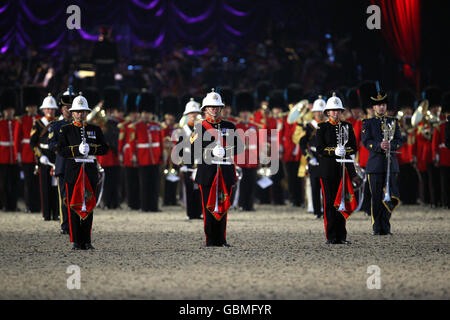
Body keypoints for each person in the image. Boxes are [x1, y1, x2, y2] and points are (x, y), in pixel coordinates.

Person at [57, 93, 108, 250]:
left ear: (86, 113)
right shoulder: (65, 130)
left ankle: (87, 240)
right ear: (72, 113)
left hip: (90, 171)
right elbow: (61, 150)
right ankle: (75, 240)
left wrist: (91, 148)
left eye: (82, 111)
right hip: (73, 171)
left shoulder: (95, 129)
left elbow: (105, 148)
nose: (80, 114)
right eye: (77, 112)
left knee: (89, 205)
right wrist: (76, 150)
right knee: (73, 205)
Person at [192, 89, 242, 247]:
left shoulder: (230, 126)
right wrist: (210, 151)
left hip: (225, 171)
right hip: (208, 171)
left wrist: (226, 151)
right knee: (208, 207)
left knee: (223, 206)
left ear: (221, 108)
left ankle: (221, 239)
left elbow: (239, 148)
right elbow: (193, 150)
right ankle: (210, 240)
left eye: (216, 107)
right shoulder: (199, 127)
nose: (214, 109)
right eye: (211, 107)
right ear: (205, 109)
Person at [316, 93, 358, 244]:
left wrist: (345, 151)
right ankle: (331, 236)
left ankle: (342, 235)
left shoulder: (347, 126)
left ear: (341, 112)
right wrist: (333, 151)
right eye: (332, 110)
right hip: (327, 170)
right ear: (327, 112)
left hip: (343, 170)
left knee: (342, 202)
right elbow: (319, 149)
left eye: (338, 110)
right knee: (329, 203)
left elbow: (354, 147)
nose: (335, 113)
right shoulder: (322, 128)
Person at [362, 84, 402, 236]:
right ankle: (376, 227)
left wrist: (392, 145)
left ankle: (386, 226)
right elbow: (366, 142)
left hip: (391, 165)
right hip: (375, 165)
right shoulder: (368, 123)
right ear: (374, 107)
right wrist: (379, 145)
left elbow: (399, 140)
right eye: (378, 105)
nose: (381, 107)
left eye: (383, 104)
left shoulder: (394, 121)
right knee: (377, 197)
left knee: (391, 196)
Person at [48, 87, 75, 234]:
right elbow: (51, 145)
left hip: (77, 165)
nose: (69, 110)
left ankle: (76, 224)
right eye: (66, 107)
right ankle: (65, 226)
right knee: (64, 198)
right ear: (61, 109)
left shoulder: (79, 125)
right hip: (63, 165)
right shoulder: (56, 126)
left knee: (76, 197)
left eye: (72, 107)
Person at [133, 90, 163, 212]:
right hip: (143, 158)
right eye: (145, 112)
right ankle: (145, 206)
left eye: (149, 112)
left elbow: (160, 142)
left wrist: (162, 155)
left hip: (155, 158)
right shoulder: (136, 126)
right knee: (144, 184)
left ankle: (154, 206)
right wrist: (133, 156)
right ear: (141, 113)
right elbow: (133, 143)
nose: (146, 115)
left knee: (155, 184)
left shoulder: (156, 125)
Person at [30, 93, 59, 221]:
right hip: (44, 156)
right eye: (48, 108)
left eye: (52, 109)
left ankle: (56, 213)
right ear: (43, 110)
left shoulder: (58, 122)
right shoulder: (37, 124)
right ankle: (46, 214)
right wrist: (39, 155)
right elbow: (32, 143)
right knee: (45, 186)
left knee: (56, 185)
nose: (50, 111)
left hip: (56, 155)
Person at [14, 86, 42, 213]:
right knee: (28, 183)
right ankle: (29, 205)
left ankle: (38, 205)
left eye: (34, 106)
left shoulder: (40, 120)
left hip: (38, 153)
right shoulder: (22, 120)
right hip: (26, 154)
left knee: (38, 182)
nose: (32, 108)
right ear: (27, 107)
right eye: (30, 106)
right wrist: (18, 155)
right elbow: (17, 139)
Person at [299, 96, 326, 219]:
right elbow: (302, 143)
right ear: (314, 112)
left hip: (326, 158)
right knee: (315, 186)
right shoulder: (309, 126)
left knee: (327, 187)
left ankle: (327, 211)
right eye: (317, 111)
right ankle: (316, 211)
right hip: (314, 157)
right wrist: (309, 158)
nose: (319, 113)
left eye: (321, 111)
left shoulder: (329, 124)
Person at [176, 98, 203, 220]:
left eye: (196, 113)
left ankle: (199, 213)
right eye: (191, 114)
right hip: (188, 162)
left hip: (200, 161)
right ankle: (190, 213)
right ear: (187, 115)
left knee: (200, 189)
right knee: (189, 189)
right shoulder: (183, 130)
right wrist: (182, 163)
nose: (194, 115)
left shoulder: (203, 129)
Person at [234, 90, 259, 211]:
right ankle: (241, 204)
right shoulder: (236, 127)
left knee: (252, 182)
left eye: (247, 111)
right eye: (243, 111)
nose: (245, 114)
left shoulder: (255, 126)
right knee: (242, 184)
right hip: (240, 160)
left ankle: (250, 204)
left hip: (253, 160)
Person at [0, 88, 20, 212]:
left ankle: (13, 204)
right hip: (3, 156)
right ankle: (5, 204)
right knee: (3, 183)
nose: (9, 112)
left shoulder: (17, 122)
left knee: (15, 182)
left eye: (11, 110)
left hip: (14, 157)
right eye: (7, 110)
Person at [432, 92, 450, 209]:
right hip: (444, 156)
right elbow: (435, 143)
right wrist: (436, 156)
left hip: (446, 156)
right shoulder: (440, 124)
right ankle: (445, 202)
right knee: (444, 182)